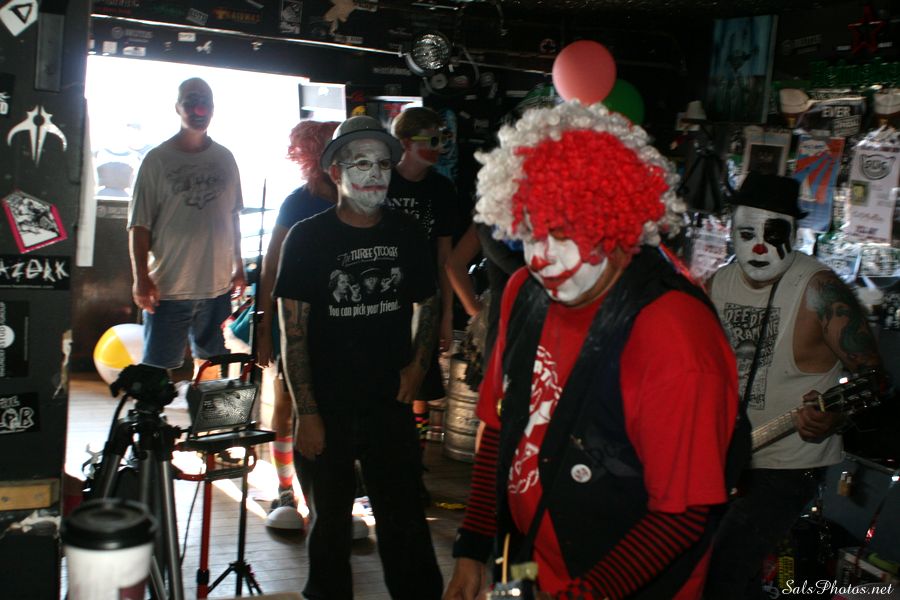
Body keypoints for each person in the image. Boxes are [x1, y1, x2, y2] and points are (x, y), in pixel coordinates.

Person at [444, 101, 743, 600]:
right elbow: (500, 427)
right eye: (530, 231)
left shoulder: (673, 336)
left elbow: (682, 515)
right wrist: (473, 547)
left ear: (616, 221)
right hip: (528, 567)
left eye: (562, 233)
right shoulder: (524, 293)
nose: (541, 258)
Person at [274, 115, 443, 599]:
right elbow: (292, 332)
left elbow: (428, 301)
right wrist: (307, 412)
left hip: (388, 400)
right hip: (327, 402)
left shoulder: (407, 232)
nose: (375, 175)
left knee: (404, 517)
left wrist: (418, 365)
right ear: (336, 172)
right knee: (329, 522)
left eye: (383, 164)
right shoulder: (307, 236)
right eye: (362, 164)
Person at [704, 172, 885, 600]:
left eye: (773, 234)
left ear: (793, 233)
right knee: (725, 573)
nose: (759, 248)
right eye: (747, 234)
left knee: (722, 571)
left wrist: (834, 416)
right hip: (726, 458)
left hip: (788, 465)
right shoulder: (717, 284)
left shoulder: (820, 291)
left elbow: (875, 378)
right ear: (731, 228)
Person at [128, 77, 245, 379]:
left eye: (205, 101)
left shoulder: (225, 158)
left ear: (213, 108)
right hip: (168, 288)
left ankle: (203, 413)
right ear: (177, 107)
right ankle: (151, 411)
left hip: (217, 287)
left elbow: (233, 217)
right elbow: (139, 225)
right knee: (155, 372)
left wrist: (239, 266)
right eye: (190, 101)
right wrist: (141, 278)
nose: (198, 109)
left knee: (211, 371)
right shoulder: (157, 160)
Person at [255, 120, 339, 526]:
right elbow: (269, 269)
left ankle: (331, 490)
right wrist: (263, 329)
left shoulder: (359, 201)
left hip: (337, 319)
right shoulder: (296, 203)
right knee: (287, 402)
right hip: (292, 318)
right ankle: (285, 488)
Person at [387, 106, 458, 451]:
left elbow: (446, 257)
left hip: (424, 298)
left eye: (442, 139)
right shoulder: (383, 181)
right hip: (384, 295)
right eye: (431, 140)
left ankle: (415, 457)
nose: (438, 147)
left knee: (422, 382)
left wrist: (446, 315)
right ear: (405, 142)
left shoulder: (442, 189)